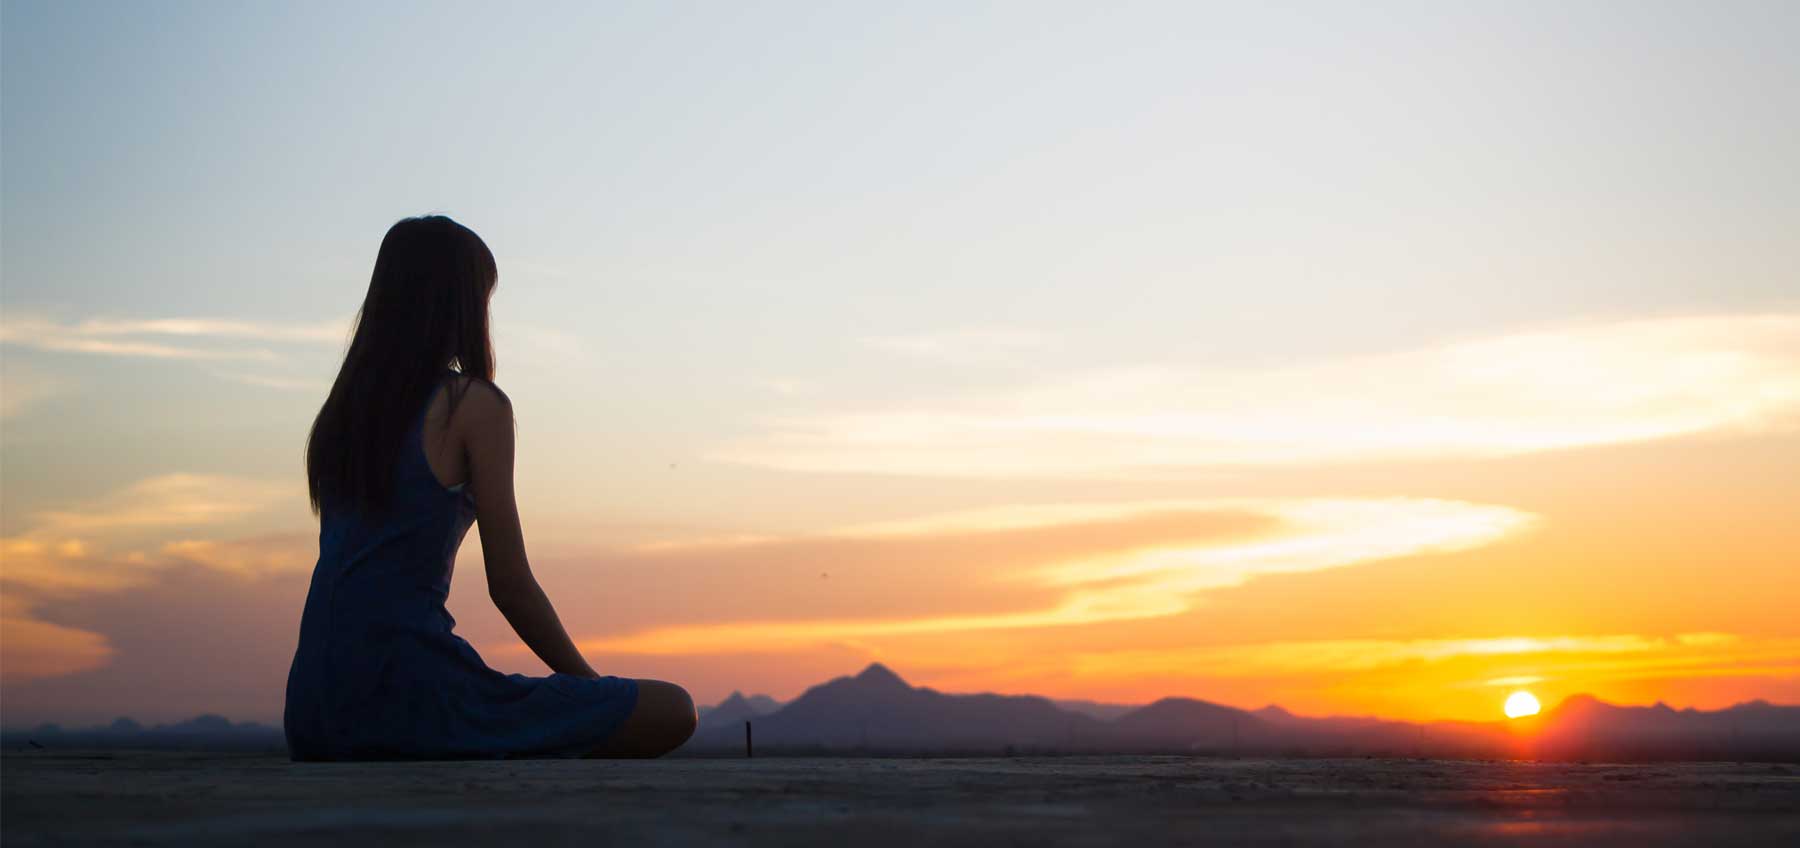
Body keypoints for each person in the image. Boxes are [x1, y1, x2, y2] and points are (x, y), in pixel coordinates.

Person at [284, 215, 695, 760]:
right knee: (674, 708)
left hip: (313, 710)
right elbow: (511, 584)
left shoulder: (347, 418)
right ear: (459, 303)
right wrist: (592, 695)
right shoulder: (472, 406)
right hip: (409, 692)